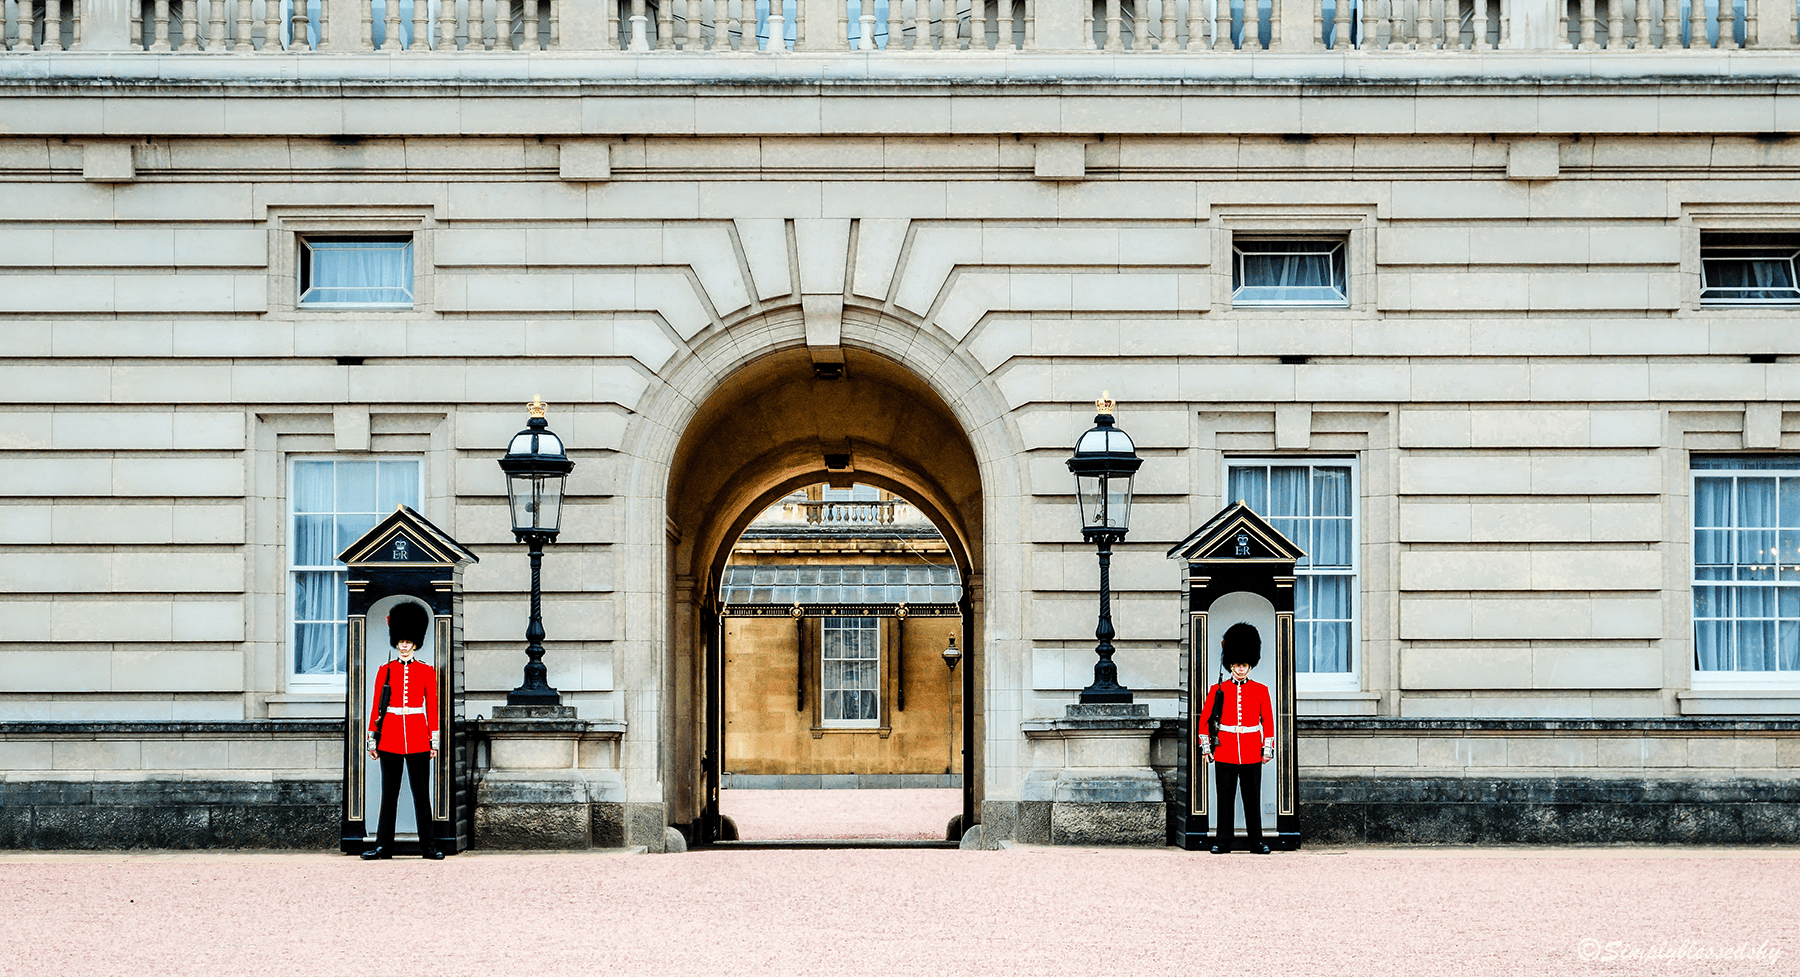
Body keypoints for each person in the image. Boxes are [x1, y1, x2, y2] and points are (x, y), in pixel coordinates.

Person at [362, 601, 443, 861]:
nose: (404, 645)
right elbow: (377, 706)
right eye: (401, 640)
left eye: (408, 641)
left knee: (422, 795)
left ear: (415, 642)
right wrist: (372, 738)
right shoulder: (385, 671)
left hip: (419, 737)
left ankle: (428, 847)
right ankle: (383, 847)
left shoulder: (426, 671)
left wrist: (434, 740)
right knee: (389, 796)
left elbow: (432, 706)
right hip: (391, 738)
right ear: (396, 641)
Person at [1198, 622, 1274, 855]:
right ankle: (1223, 842)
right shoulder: (1216, 689)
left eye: (1245, 665)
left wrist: (1267, 749)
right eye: (1238, 665)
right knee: (1225, 800)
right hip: (1225, 751)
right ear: (1231, 665)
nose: (1241, 669)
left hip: (1251, 751)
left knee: (1252, 800)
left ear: (1250, 665)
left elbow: (1268, 722)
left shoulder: (1261, 690)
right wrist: (1206, 747)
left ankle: (1256, 841)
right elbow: (1204, 720)